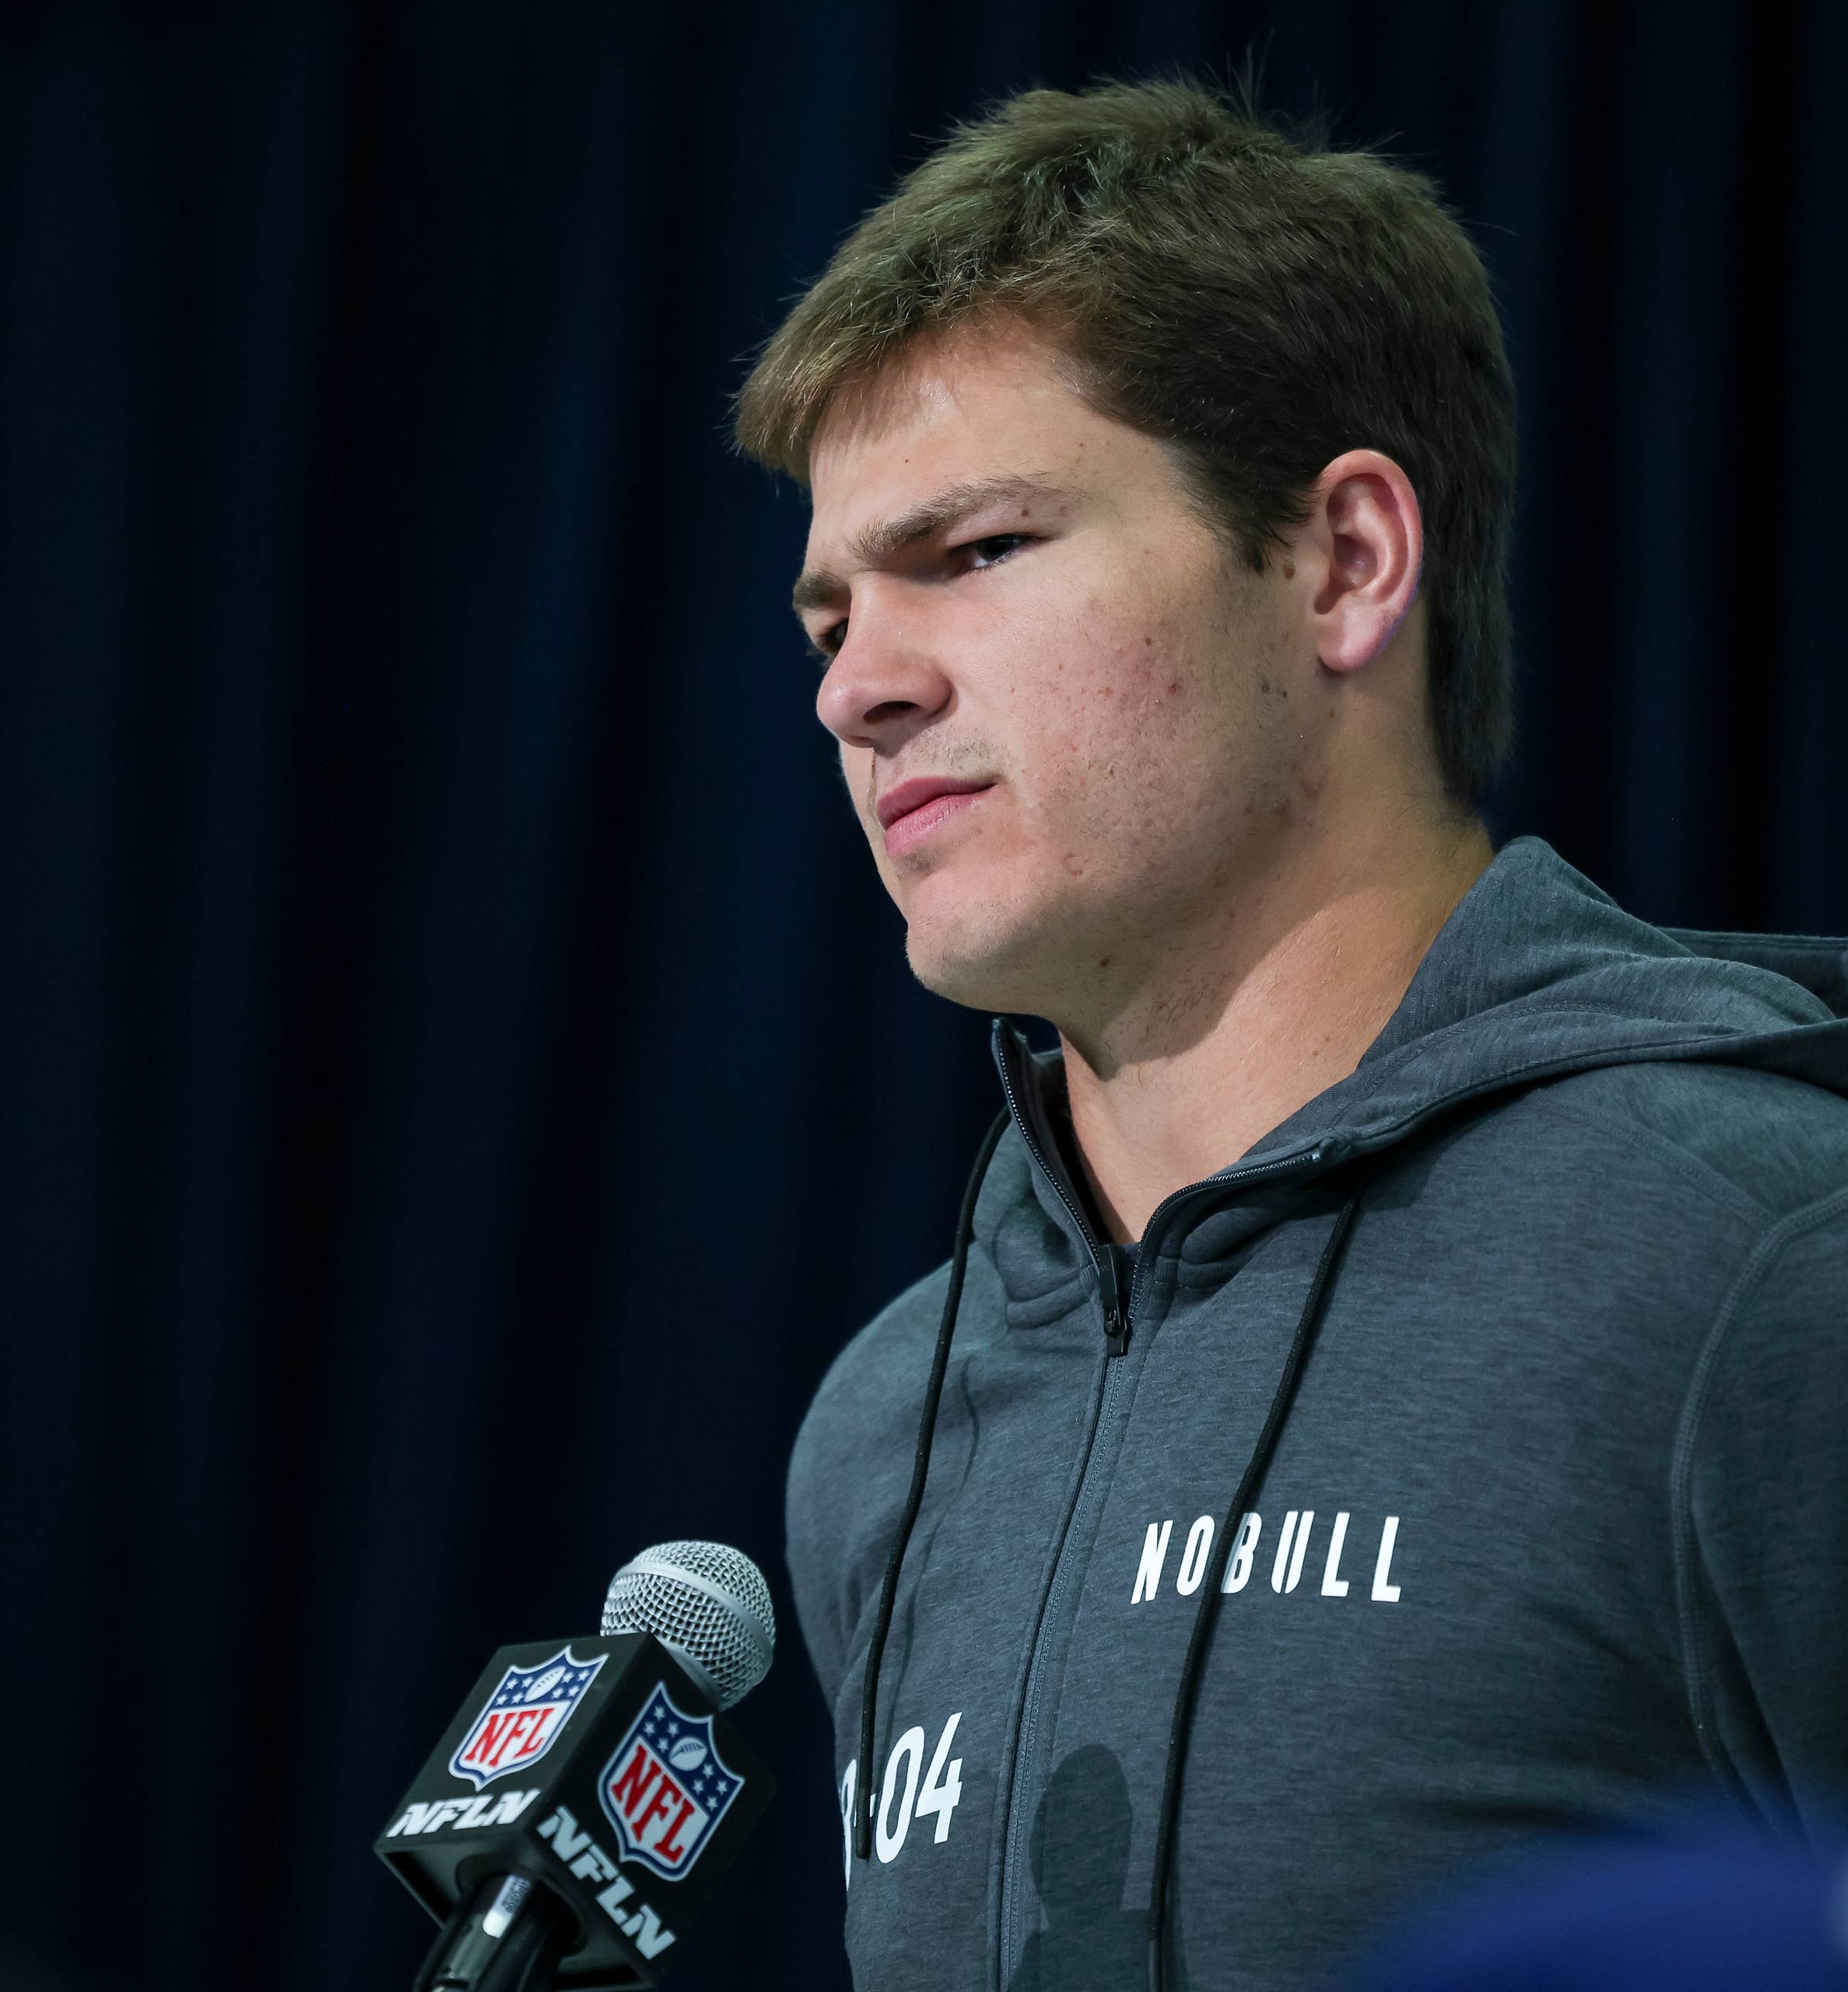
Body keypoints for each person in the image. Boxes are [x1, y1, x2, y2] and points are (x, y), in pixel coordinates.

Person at [732, 72, 1848, 1992]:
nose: (862, 686)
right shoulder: (878, 1434)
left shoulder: (1756, 1268)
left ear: (1340, 560)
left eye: (976, 550)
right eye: (829, 613)